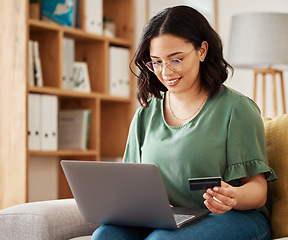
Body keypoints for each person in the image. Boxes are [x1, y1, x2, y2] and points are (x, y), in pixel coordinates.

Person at [92, 5, 277, 240]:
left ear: (202, 50)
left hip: (233, 217)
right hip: (170, 219)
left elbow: (258, 191)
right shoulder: (146, 114)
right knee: (105, 236)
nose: (166, 72)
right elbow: (131, 185)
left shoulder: (236, 109)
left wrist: (233, 197)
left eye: (176, 59)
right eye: (156, 62)